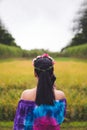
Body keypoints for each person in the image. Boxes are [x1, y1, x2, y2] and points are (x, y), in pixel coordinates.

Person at [13, 53, 67, 130]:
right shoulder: (60, 95)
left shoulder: (25, 95)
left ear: (35, 73)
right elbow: (59, 119)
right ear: (52, 73)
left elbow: (19, 123)